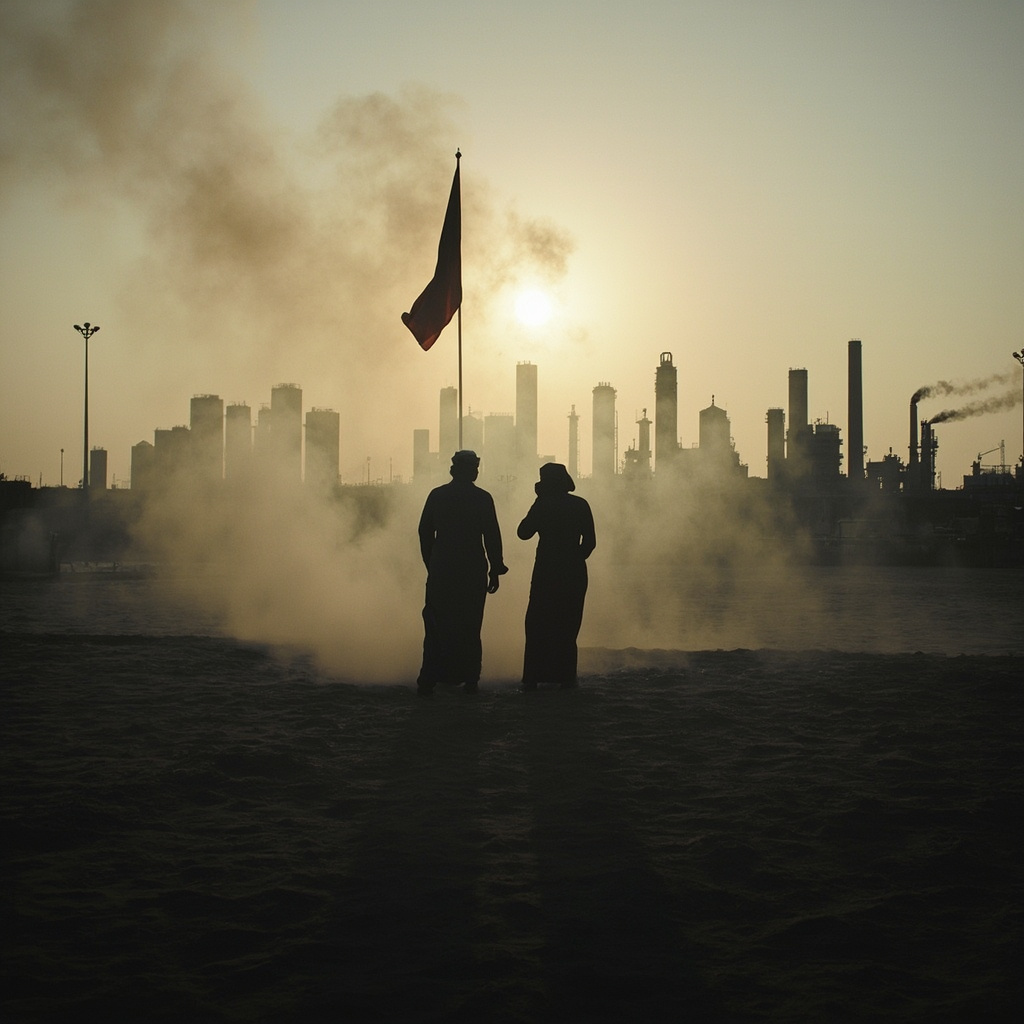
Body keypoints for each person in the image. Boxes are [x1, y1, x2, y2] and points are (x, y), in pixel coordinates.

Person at [416, 450, 507, 696]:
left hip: (442, 569)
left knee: (437, 624)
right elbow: (492, 536)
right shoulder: (482, 498)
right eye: (475, 468)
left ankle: (430, 678)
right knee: (469, 624)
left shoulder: (438, 496)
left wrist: (432, 563)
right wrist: (495, 568)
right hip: (471, 569)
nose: (477, 472)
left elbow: (425, 533)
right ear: (470, 471)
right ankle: (470, 678)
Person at [517, 462, 596, 690]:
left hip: (546, 571)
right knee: (568, 625)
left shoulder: (543, 505)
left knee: (537, 624)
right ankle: (566, 678)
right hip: (574, 573)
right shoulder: (580, 505)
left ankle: (533, 676)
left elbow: (523, 533)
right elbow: (590, 543)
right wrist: (573, 560)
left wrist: (538, 502)